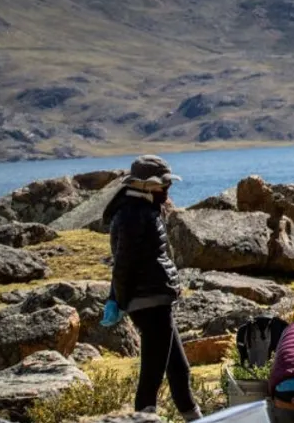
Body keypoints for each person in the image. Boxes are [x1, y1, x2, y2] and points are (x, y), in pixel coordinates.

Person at [102, 155, 201, 421]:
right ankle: (144, 418)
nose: (167, 189)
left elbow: (125, 261)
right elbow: (124, 262)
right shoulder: (133, 214)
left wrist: (117, 298)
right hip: (150, 303)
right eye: (163, 184)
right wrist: (117, 300)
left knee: (178, 369)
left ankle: (196, 418)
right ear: (144, 185)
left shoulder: (142, 209)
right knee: (152, 376)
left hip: (157, 300)